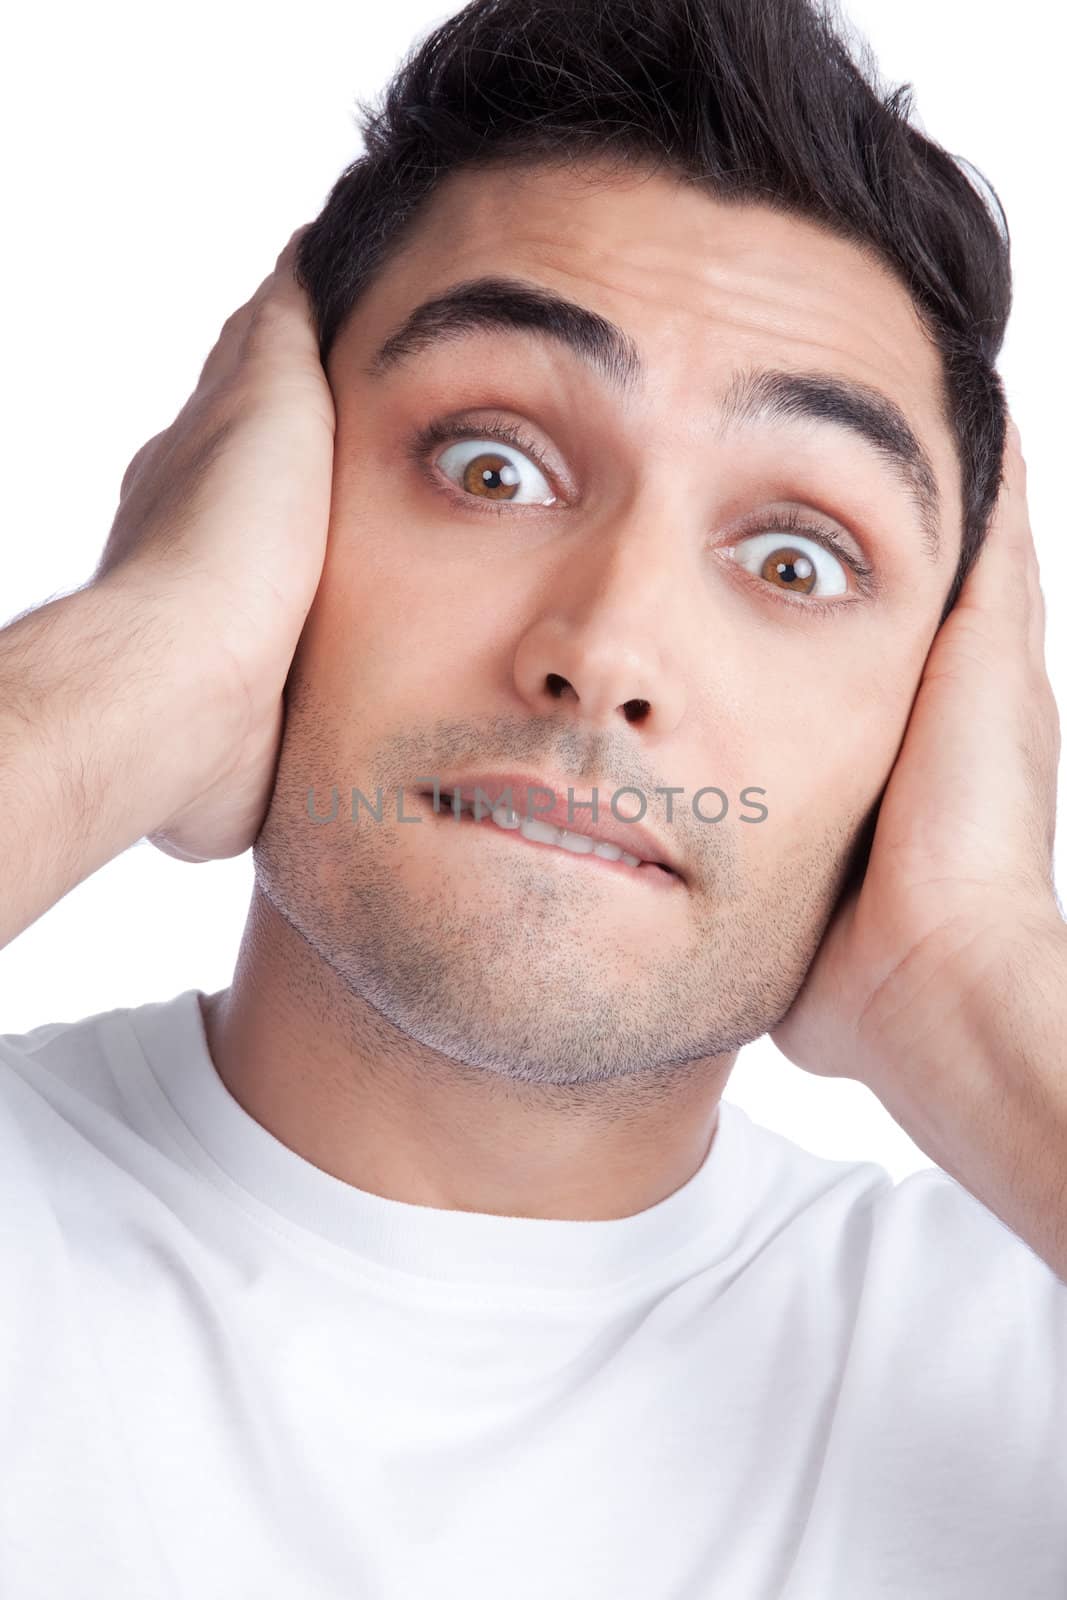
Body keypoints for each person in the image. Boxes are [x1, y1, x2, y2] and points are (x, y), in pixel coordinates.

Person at [2, 0, 1065, 1593]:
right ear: (252, 498)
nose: (608, 652)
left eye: (797, 559)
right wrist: (108, 691)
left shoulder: (1016, 1365)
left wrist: (984, 977)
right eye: (491, 466)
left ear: (936, 707)